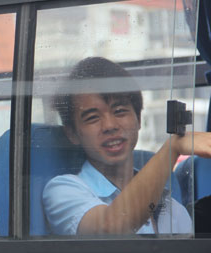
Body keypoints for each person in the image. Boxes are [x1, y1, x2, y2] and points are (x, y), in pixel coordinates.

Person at [42, 56, 211, 236]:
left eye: (120, 111)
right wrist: (173, 147)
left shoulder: (172, 209)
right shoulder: (63, 190)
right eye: (92, 118)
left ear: (138, 119)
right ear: (72, 133)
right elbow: (110, 228)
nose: (110, 126)